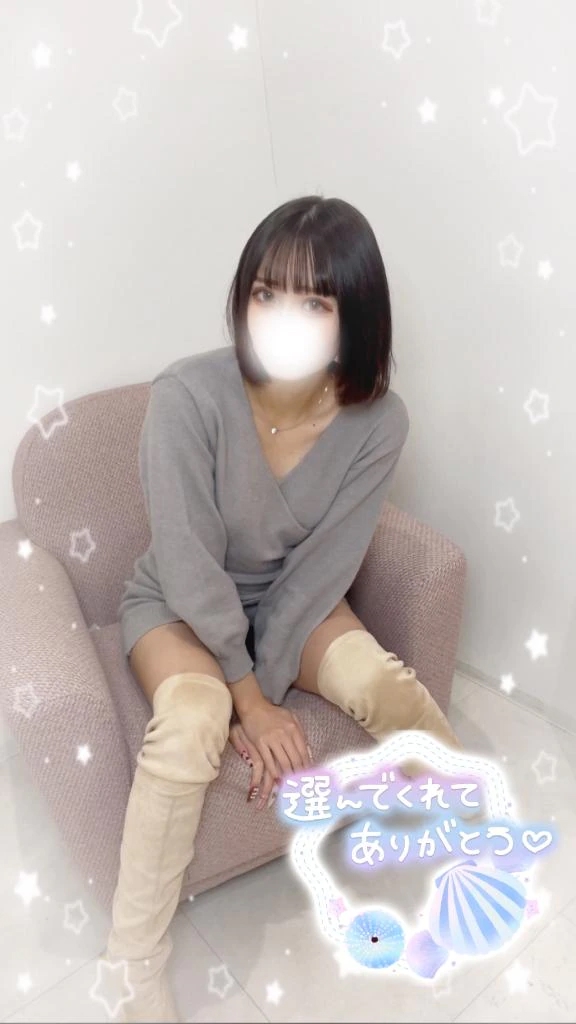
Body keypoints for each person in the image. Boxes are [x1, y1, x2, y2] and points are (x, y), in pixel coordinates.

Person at [101, 195, 461, 1022]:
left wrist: (264, 689)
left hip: (292, 600)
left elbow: (325, 566)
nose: (279, 319)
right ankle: (131, 964)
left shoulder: (379, 421)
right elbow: (186, 562)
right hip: (180, 602)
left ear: (353, 315)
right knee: (189, 723)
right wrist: (245, 700)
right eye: (265, 293)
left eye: (313, 302)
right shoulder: (187, 395)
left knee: (382, 684)